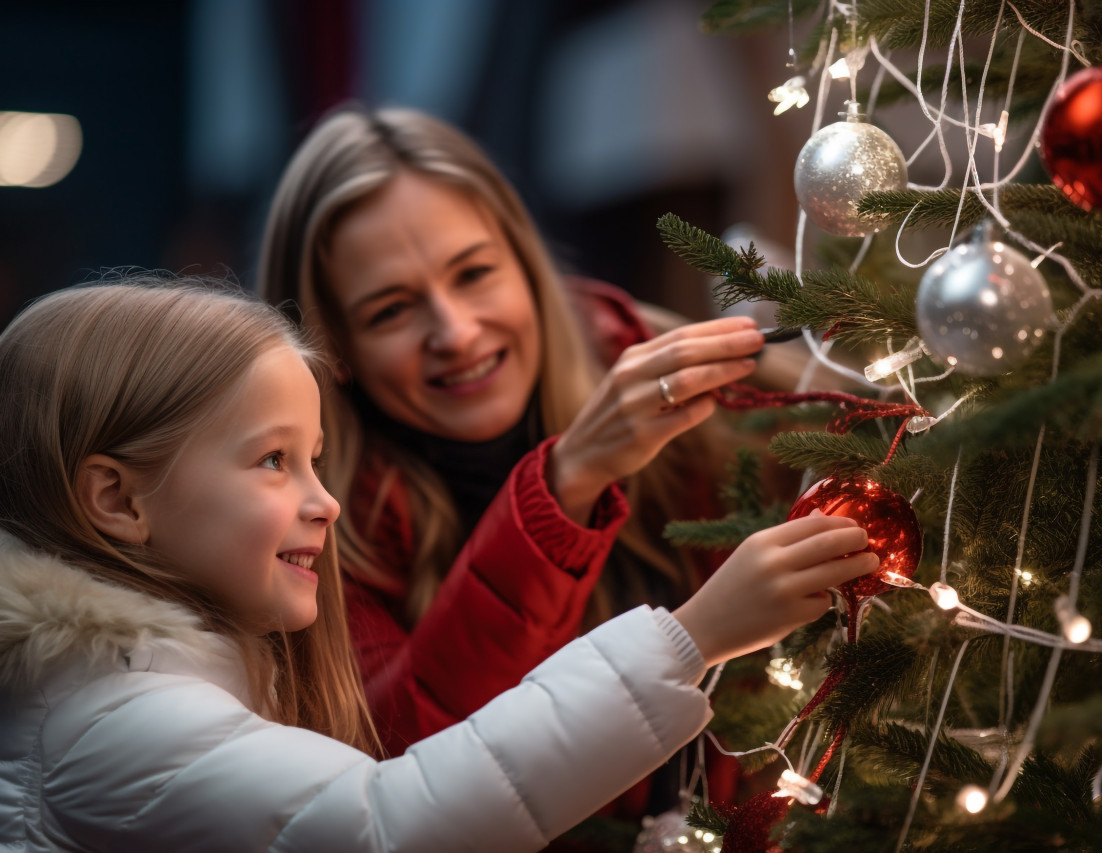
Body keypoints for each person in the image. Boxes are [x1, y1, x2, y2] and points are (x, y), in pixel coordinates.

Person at [0, 278, 877, 852]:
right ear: (117, 500)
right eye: (273, 460)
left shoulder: (148, 692)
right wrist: (691, 637)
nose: (326, 502)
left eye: (315, 458)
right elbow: (394, 824)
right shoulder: (110, 728)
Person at [255, 104, 794, 788]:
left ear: (527, 265)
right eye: (390, 310)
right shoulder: (311, 529)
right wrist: (564, 487)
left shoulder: (673, 377)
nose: (455, 331)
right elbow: (395, 782)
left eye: (475, 273)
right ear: (333, 349)